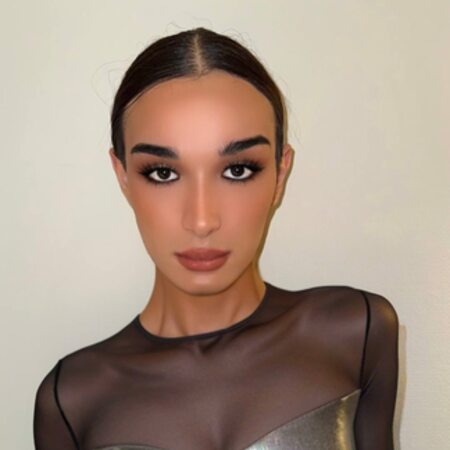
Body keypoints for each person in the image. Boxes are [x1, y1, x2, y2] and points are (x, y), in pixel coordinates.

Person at [33, 27, 399, 450]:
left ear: (280, 174)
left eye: (237, 170)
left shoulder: (355, 332)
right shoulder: (72, 400)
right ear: (124, 177)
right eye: (163, 173)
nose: (202, 220)